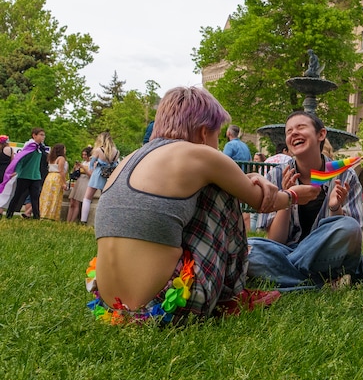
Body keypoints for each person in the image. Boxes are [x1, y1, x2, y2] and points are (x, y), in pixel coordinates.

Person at [88, 86, 320, 324]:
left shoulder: (131, 158)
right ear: (202, 132)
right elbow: (261, 201)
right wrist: (293, 196)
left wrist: (250, 180)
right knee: (220, 189)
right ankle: (231, 297)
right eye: (216, 135)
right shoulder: (200, 155)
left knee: (216, 185)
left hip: (109, 308)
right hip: (165, 306)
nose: (217, 145)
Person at [248, 111, 363, 289]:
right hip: (287, 250)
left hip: (327, 255)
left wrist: (335, 209)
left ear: (321, 134)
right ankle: (321, 283)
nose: (293, 133)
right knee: (248, 249)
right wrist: (286, 200)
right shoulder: (276, 175)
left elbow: (352, 239)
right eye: (289, 131)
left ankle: (286, 277)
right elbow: (275, 240)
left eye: (300, 127)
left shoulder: (345, 176)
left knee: (348, 226)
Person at [2, 128, 46, 219]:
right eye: (41, 135)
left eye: (44, 135)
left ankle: (36, 217)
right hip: (24, 175)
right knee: (17, 196)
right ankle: (9, 214)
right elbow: (20, 159)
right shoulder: (30, 146)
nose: (43, 137)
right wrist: (16, 171)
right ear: (34, 135)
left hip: (36, 176)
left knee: (35, 197)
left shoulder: (41, 148)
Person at [80, 132, 119, 224]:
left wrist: (94, 166)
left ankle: (83, 220)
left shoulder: (98, 150)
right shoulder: (116, 152)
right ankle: (104, 221)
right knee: (104, 199)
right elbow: (115, 164)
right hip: (109, 175)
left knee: (87, 197)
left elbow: (91, 164)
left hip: (98, 174)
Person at [39, 143, 68, 221]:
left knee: (47, 196)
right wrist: (64, 182)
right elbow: (61, 170)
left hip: (49, 176)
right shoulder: (61, 158)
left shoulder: (51, 158)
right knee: (55, 196)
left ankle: (43, 212)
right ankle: (51, 215)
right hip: (57, 177)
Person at [67, 147, 92, 223]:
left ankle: (73, 221)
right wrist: (76, 168)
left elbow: (90, 175)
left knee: (77, 202)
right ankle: (68, 221)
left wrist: (83, 168)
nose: (84, 156)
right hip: (79, 180)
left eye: (85, 155)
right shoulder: (83, 162)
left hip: (85, 181)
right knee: (72, 201)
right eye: (83, 155)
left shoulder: (92, 163)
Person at [0, 135, 15, 215]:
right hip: (5, 173)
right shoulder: (9, 149)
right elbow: (13, 162)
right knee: (2, 191)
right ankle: (0, 209)